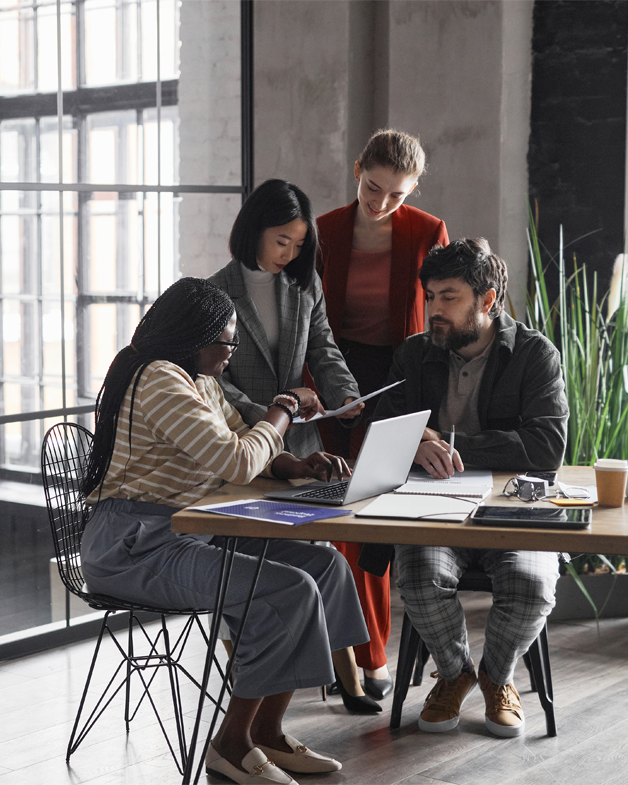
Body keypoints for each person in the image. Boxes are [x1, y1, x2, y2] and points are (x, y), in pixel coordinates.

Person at [79, 278, 371, 785]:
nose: (232, 354)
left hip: (189, 532)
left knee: (322, 564)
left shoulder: (202, 381)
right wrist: (282, 408)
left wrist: (293, 465)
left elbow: (243, 443)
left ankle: (269, 732)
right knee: (286, 588)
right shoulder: (159, 379)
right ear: (196, 338)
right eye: (228, 342)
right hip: (134, 546)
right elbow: (235, 461)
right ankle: (232, 744)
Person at [369, 238, 569, 737]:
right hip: (432, 508)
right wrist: (413, 442)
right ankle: (455, 674)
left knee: (532, 586)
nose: (434, 310)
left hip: (515, 509)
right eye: (431, 295)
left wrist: (447, 441)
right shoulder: (414, 354)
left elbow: (546, 447)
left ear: (487, 300)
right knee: (415, 579)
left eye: (449, 297)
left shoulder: (534, 354)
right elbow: (383, 429)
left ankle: (497, 678)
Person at [315, 129, 449, 700]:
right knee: (336, 513)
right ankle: (345, 654)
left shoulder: (426, 231)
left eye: (396, 194)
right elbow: (311, 322)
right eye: (373, 188)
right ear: (356, 171)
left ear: (412, 190)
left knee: (375, 518)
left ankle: (371, 655)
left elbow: (439, 312)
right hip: (333, 379)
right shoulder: (324, 231)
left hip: (396, 380)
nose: (381, 202)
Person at [209, 178, 364, 462]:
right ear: (255, 230)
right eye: (282, 242)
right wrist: (273, 414)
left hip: (302, 443)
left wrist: (344, 395)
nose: (290, 254)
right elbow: (214, 381)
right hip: (244, 439)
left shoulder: (304, 284)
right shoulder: (215, 292)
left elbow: (321, 347)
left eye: (299, 245)